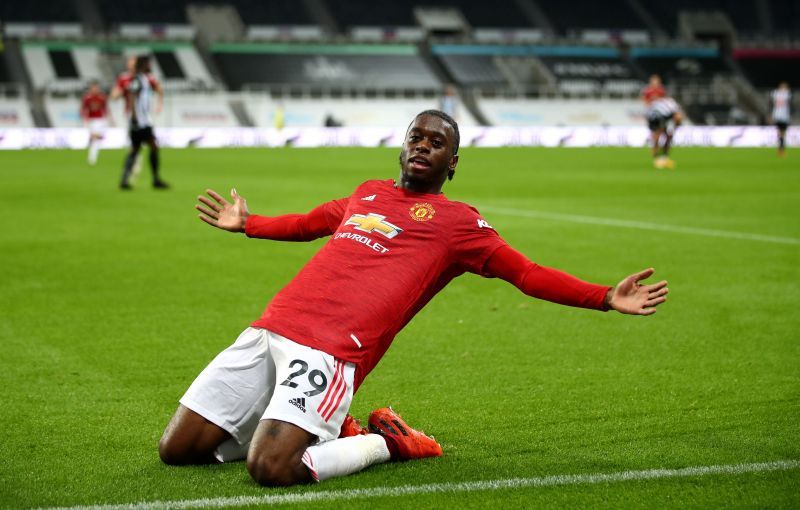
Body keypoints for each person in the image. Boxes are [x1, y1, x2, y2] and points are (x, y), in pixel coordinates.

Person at [158, 110, 669, 487]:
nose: (423, 147)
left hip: (332, 351)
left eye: (437, 143)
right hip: (271, 327)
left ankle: (386, 441)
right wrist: (249, 224)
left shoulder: (460, 225)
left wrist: (603, 296)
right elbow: (307, 223)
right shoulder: (367, 193)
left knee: (272, 469)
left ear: (453, 163)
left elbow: (527, 274)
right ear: (402, 148)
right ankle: (324, 428)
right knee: (177, 451)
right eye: (416, 138)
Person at [120, 55, 168, 190]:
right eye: (147, 63)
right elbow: (132, 97)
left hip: (143, 120)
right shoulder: (137, 79)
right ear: (143, 65)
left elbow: (158, 90)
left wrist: (159, 103)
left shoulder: (145, 79)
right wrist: (134, 117)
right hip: (140, 122)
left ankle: (125, 180)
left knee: (136, 149)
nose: (149, 66)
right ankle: (155, 179)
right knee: (151, 147)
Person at [646, 97, 683, 169]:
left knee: (667, 136)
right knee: (657, 135)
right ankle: (657, 157)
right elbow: (677, 119)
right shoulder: (672, 111)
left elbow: (676, 120)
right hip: (655, 116)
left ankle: (662, 157)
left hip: (657, 115)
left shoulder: (672, 108)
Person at [80, 81, 109, 166]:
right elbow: (83, 109)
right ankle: (92, 158)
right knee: (95, 138)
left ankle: (91, 150)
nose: (95, 89)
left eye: (96, 88)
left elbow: (105, 109)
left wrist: (107, 120)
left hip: (101, 120)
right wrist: (84, 119)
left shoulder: (102, 98)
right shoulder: (87, 98)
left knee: (98, 138)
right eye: (93, 88)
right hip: (91, 120)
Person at [770, 81, 792, 157]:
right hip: (778, 116)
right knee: (780, 133)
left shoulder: (777, 93)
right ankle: (780, 149)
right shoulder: (784, 93)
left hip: (784, 116)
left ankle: (781, 149)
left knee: (782, 134)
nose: (784, 88)